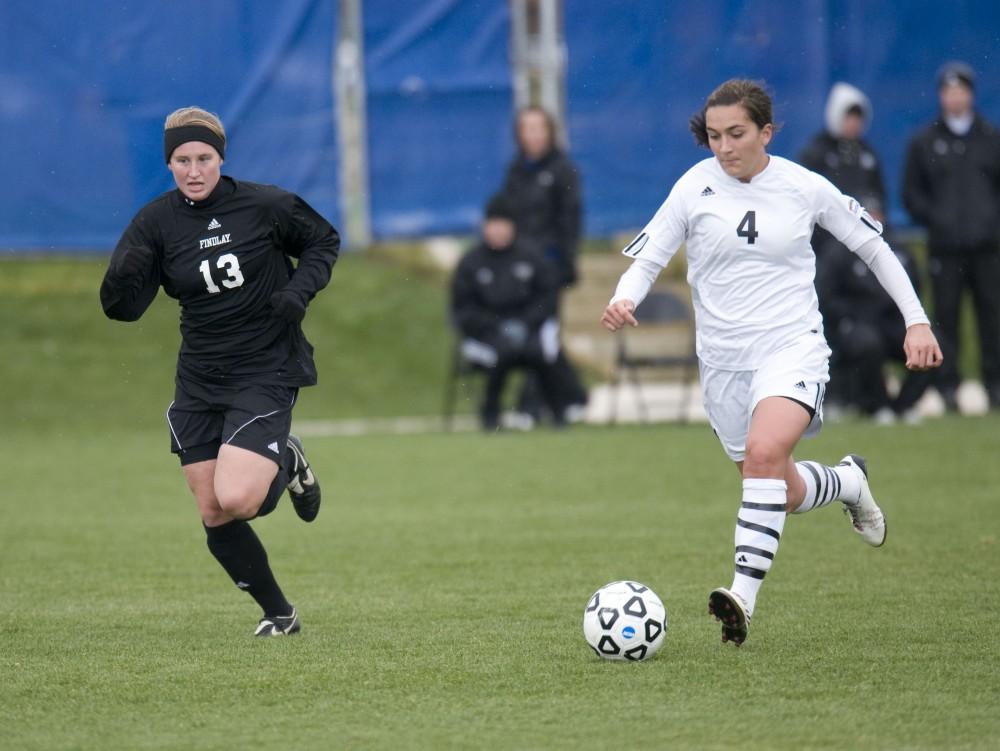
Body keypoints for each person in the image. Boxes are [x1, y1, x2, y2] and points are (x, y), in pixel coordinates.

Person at [601, 80, 942, 646]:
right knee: (776, 488)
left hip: (791, 346)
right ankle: (848, 482)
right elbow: (650, 254)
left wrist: (917, 319)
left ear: (765, 131)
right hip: (723, 363)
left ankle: (742, 595)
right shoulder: (694, 186)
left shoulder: (803, 186)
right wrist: (624, 297)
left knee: (764, 454)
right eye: (713, 135)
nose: (724, 146)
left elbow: (874, 247)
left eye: (736, 133)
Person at [101, 106, 339, 637]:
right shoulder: (155, 223)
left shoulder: (266, 205)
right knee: (213, 509)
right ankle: (280, 616)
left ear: (220, 158)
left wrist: (298, 292)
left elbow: (324, 241)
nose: (193, 169)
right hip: (200, 376)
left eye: (203, 158)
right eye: (182, 160)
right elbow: (122, 309)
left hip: (265, 365)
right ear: (169, 164)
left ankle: (287, 458)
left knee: (239, 499)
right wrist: (121, 277)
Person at [799, 82, 909, 420]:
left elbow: (878, 198)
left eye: (858, 117)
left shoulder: (867, 154)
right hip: (826, 253)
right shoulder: (815, 153)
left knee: (868, 329)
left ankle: (875, 401)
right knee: (828, 324)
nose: (853, 124)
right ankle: (833, 396)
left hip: (861, 247)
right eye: (848, 116)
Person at [902, 61, 1000, 411]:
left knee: (992, 317)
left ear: (971, 95)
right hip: (945, 250)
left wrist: (989, 222)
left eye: (961, 90)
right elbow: (912, 194)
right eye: (949, 90)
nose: (955, 97)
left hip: (987, 249)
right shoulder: (925, 141)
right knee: (944, 318)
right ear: (942, 95)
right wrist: (939, 221)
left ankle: (994, 384)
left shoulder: (991, 138)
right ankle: (947, 386)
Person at [498, 106, 588, 424]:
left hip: (548, 271)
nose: (533, 135)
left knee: (540, 336)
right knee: (533, 336)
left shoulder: (563, 171)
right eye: (527, 128)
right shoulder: (515, 172)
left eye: (539, 128)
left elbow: (569, 222)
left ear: (550, 131)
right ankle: (574, 395)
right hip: (519, 273)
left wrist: (563, 263)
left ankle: (530, 407)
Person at [450, 193, 565, 431]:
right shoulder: (471, 262)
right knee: (501, 353)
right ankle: (491, 415)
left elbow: (547, 297)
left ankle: (557, 413)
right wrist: (493, 326)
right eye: (492, 224)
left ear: (512, 227)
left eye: (503, 224)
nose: (497, 230)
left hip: (527, 328)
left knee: (539, 352)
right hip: (486, 334)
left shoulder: (530, 257)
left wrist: (526, 323)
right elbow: (462, 308)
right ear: (484, 226)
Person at [815, 241, 934, 423]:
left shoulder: (897, 248)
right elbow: (827, 295)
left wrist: (913, 320)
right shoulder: (838, 253)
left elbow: (915, 287)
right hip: (855, 321)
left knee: (932, 346)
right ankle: (878, 405)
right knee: (868, 344)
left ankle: (903, 405)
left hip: (892, 321)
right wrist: (850, 316)